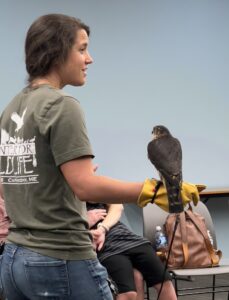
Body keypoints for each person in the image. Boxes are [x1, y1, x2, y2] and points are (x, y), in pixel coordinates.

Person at [0, 13, 201, 300]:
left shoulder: (11, 109)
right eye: (81, 49)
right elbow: (85, 186)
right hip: (60, 259)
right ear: (57, 52)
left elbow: (7, 186)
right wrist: (151, 191)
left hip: (14, 262)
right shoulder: (62, 105)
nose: (89, 58)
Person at [87, 202, 176, 300]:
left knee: (165, 284)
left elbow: (117, 206)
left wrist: (103, 228)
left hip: (128, 238)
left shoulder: (95, 190)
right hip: (105, 245)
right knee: (129, 292)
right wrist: (86, 222)